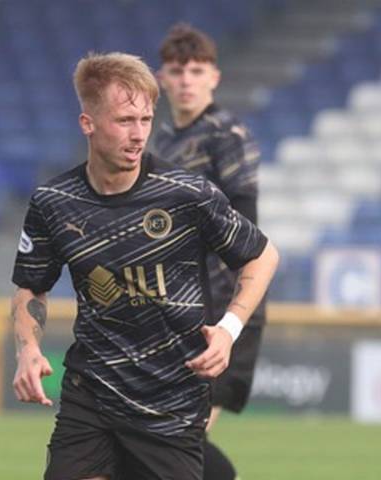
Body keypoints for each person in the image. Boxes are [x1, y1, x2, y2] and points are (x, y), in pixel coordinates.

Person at [11, 51, 278, 480]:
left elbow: (262, 255)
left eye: (146, 120)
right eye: (124, 121)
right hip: (91, 396)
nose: (138, 135)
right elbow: (30, 286)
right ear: (88, 124)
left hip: (170, 404)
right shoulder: (53, 203)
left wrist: (229, 330)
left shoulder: (187, 194)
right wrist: (27, 349)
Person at [150, 23, 265, 480]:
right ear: (161, 77)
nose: (186, 80)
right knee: (168, 440)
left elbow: (247, 231)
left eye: (196, 71)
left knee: (176, 442)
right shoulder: (161, 139)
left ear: (214, 76)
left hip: (221, 308)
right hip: (174, 305)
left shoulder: (226, 135)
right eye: (177, 71)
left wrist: (232, 318)